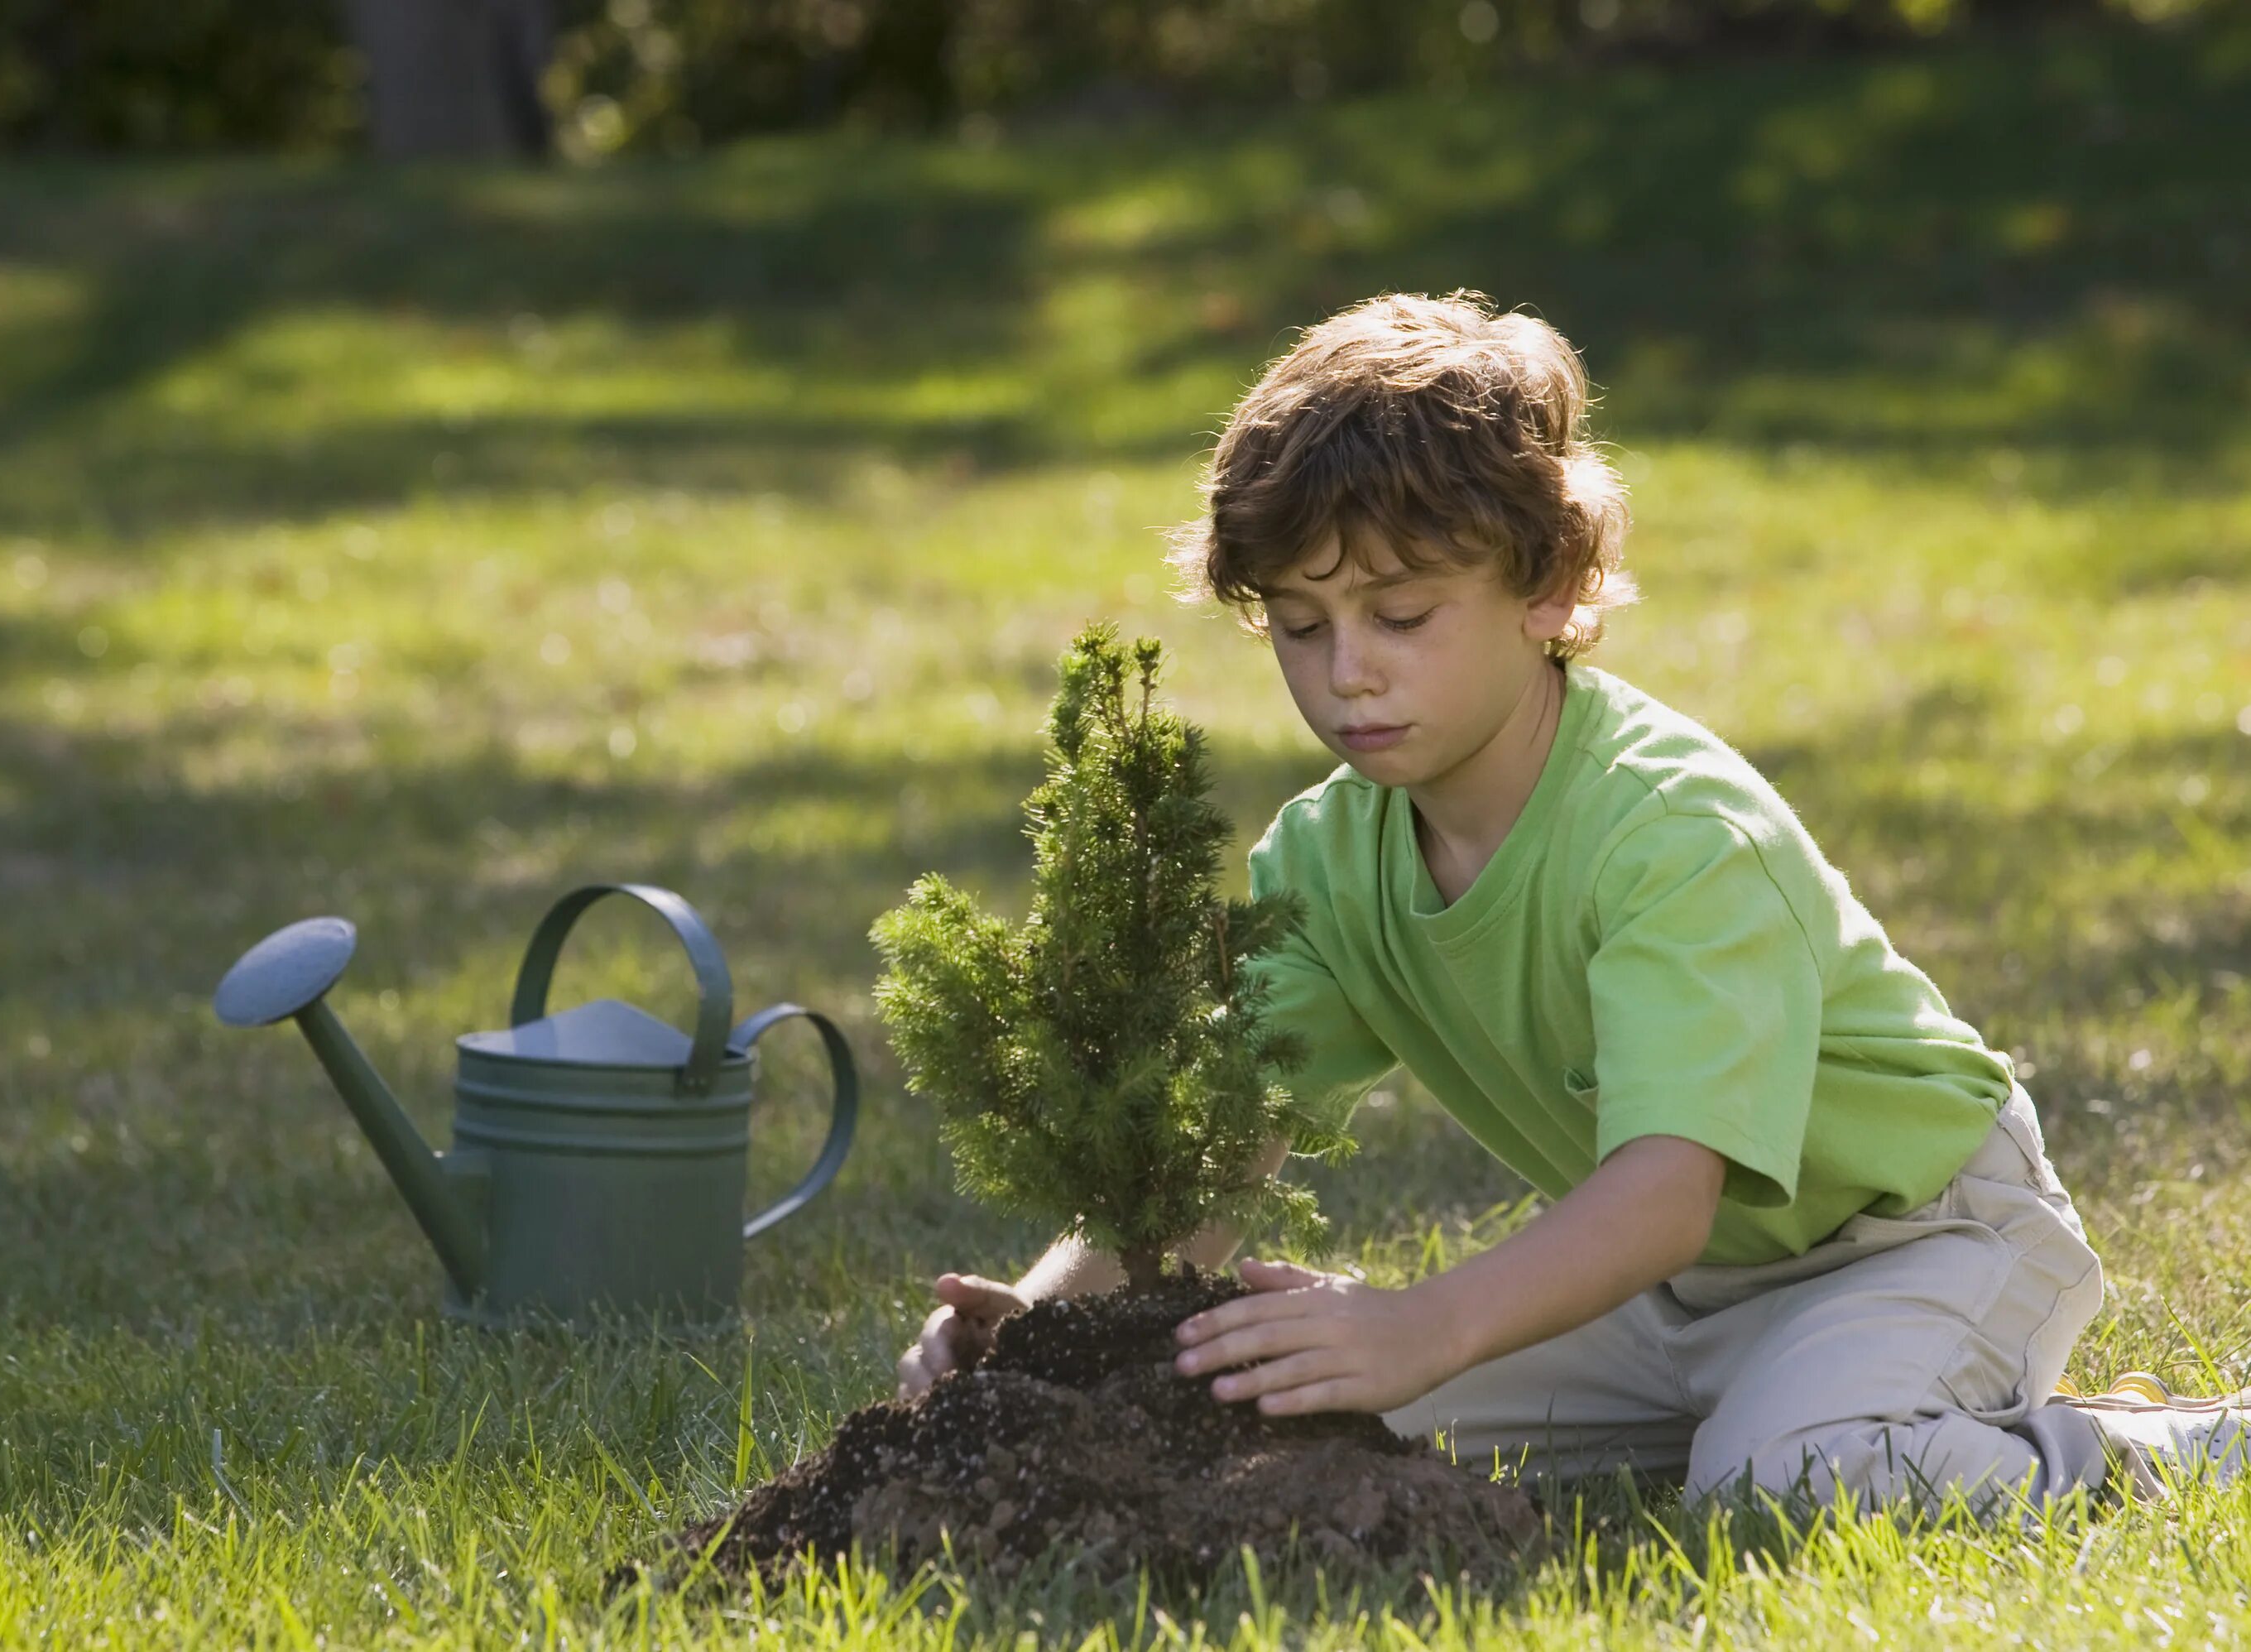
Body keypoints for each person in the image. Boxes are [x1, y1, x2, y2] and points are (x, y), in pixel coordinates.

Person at [895, 290, 2245, 1511]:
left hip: (1919, 1239)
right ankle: (1823, 1401)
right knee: (1300, 1415)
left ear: (1548, 587)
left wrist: (1425, 1323)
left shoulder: (1669, 835)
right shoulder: (1325, 855)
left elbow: (1662, 1190)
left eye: (1401, 615)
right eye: (1301, 629)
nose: (1346, 674)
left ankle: (2165, 1450)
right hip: (1675, 1293)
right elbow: (1219, 1153)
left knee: (1783, 1481)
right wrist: (1042, 1316)